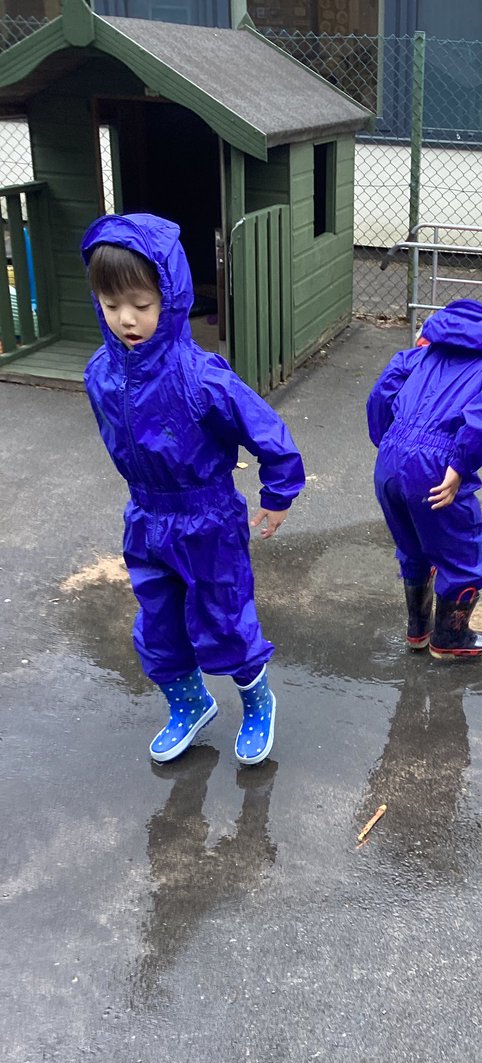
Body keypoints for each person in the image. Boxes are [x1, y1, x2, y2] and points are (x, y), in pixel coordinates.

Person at [81, 213, 305, 766]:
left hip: (207, 516)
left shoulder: (200, 375)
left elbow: (268, 434)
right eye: (112, 306)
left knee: (225, 616)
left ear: (171, 298)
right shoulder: (100, 373)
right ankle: (189, 704)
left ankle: (257, 702)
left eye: (141, 304)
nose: (127, 320)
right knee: (157, 624)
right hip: (147, 517)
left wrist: (277, 495)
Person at [366, 283, 482, 659]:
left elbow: (384, 389)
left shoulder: (426, 353)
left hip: (390, 460)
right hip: (438, 467)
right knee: (462, 554)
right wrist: (461, 464)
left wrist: (387, 440)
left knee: (412, 546)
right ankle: (450, 637)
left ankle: (417, 630)